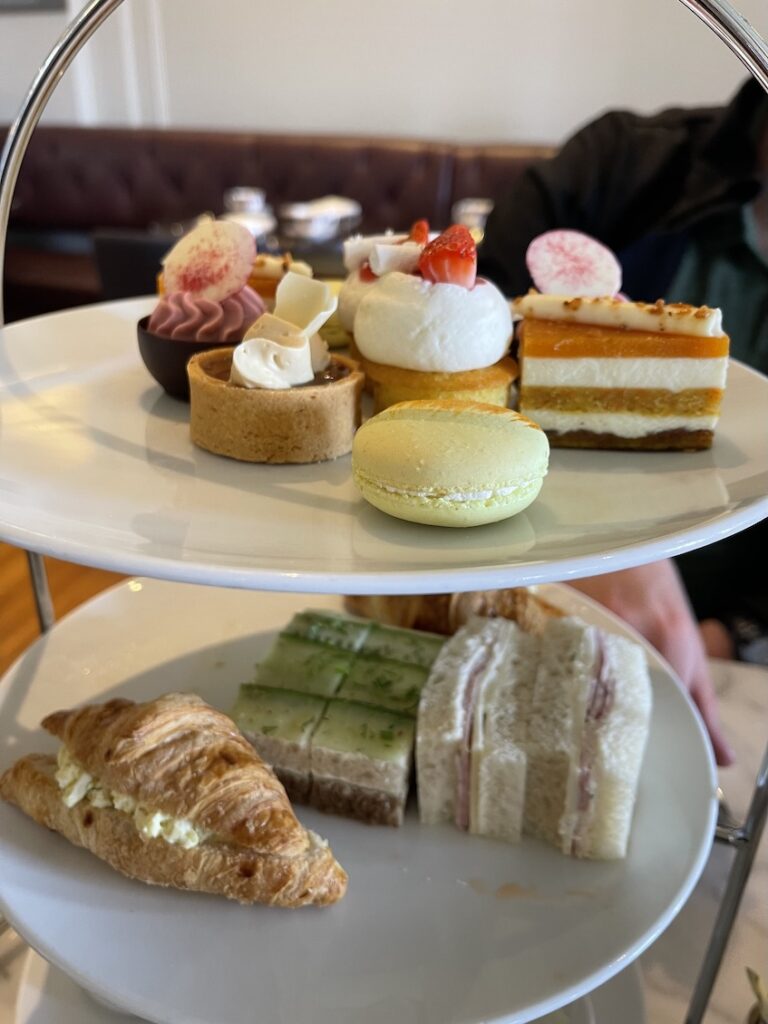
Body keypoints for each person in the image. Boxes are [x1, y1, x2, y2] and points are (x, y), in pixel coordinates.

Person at [478, 76, 768, 766]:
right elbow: (468, 366)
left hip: (727, 660)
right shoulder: (622, 165)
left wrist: (729, 634)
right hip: (521, 581)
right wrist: (603, 537)